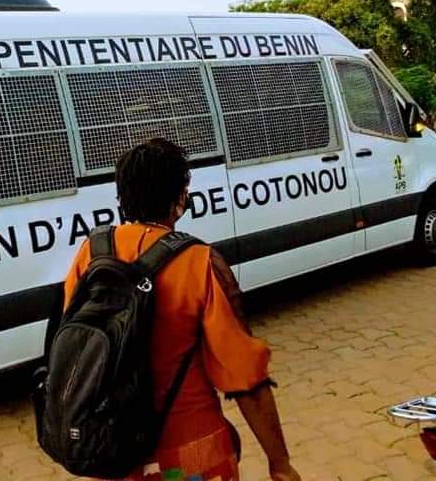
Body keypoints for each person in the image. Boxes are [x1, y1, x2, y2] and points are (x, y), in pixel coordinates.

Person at [63, 139, 301, 481]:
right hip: (193, 453)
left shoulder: (92, 252)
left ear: (122, 198)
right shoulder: (199, 262)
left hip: (111, 451)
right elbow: (244, 377)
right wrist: (279, 462)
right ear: (179, 201)